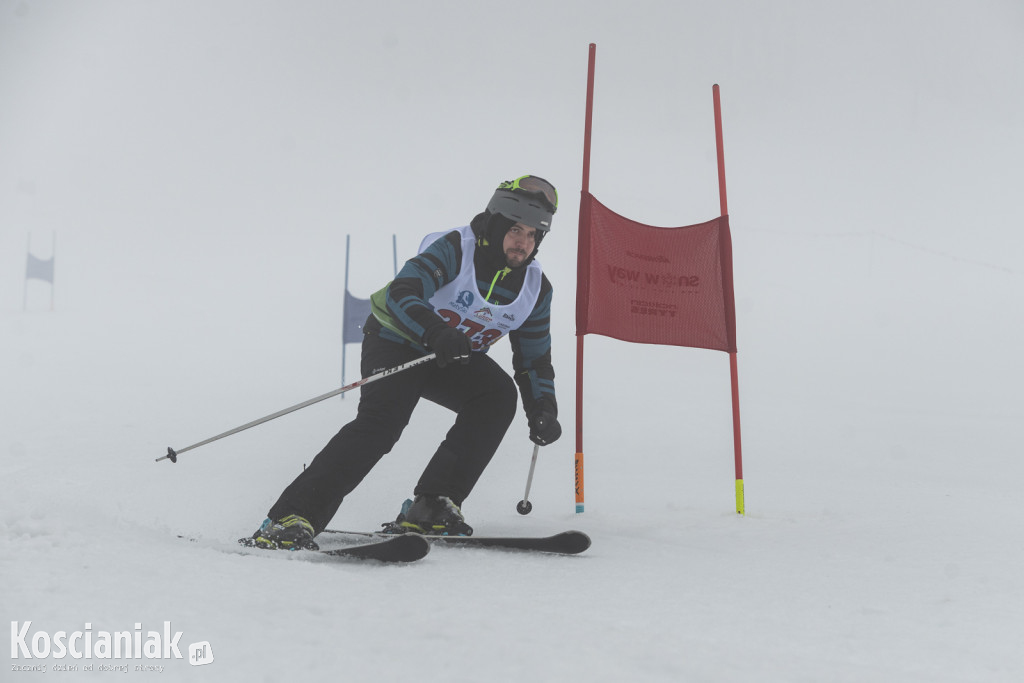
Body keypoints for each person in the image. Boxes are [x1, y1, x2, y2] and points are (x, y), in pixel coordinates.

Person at [248, 175, 563, 549]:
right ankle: (289, 517)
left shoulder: (534, 288)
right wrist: (436, 330)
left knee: (496, 396)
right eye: (515, 230)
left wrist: (543, 408)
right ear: (495, 225)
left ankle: (433, 505)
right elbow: (403, 292)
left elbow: (534, 360)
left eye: (533, 234)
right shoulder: (456, 249)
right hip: (395, 341)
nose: (523, 243)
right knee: (383, 423)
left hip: (450, 356)